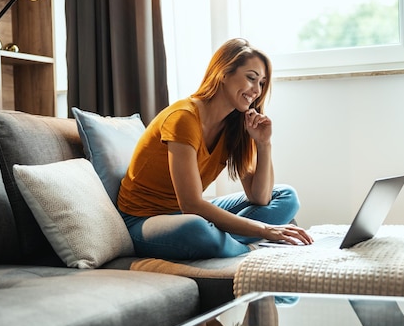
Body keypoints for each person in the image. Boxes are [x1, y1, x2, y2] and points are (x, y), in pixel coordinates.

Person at [117, 38, 313, 260]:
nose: (256, 90)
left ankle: (225, 242)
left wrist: (263, 144)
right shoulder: (183, 118)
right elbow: (191, 204)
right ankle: (250, 247)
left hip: (188, 214)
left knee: (286, 196)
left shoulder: (237, 124)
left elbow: (260, 197)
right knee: (197, 228)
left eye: (262, 83)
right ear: (223, 73)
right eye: (251, 78)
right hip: (144, 220)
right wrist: (265, 230)